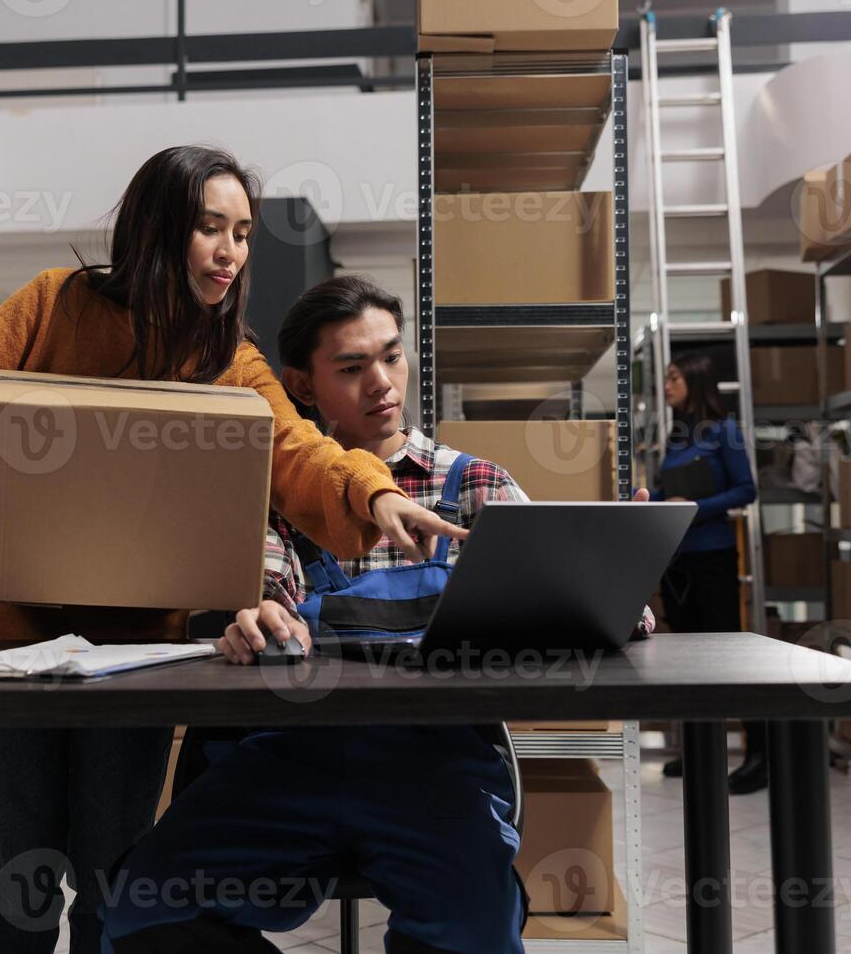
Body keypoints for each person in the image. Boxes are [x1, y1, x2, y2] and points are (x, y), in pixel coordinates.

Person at [0, 150, 468, 954]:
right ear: (158, 228)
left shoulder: (229, 358)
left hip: (135, 653)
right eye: (210, 228)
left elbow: (297, 451)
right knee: (21, 864)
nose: (231, 252)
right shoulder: (53, 303)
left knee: (113, 866)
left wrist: (376, 491)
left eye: (244, 234)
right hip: (4, 641)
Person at [100, 276, 655, 954]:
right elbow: (268, 592)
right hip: (286, 762)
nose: (382, 383)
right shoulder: (275, 502)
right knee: (142, 908)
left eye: (391, 357)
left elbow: (551, 602)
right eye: (353, 367)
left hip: (437, 768)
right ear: (302, 386)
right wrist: (259, 622)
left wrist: (609, 600)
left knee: (472, 928)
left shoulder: (478, 486)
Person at [650, 354, 765, 794]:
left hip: (713, 556)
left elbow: (746, 490)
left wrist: (694, 508)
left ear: (695, 381)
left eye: (674, 377)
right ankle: (700, 749)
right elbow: (668, 491)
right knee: (687, 659)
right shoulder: (677, 437)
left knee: (730, 657)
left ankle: (758, 757)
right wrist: (652, 502)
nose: (667, 385)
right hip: (676, 559)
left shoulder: (725, 432)